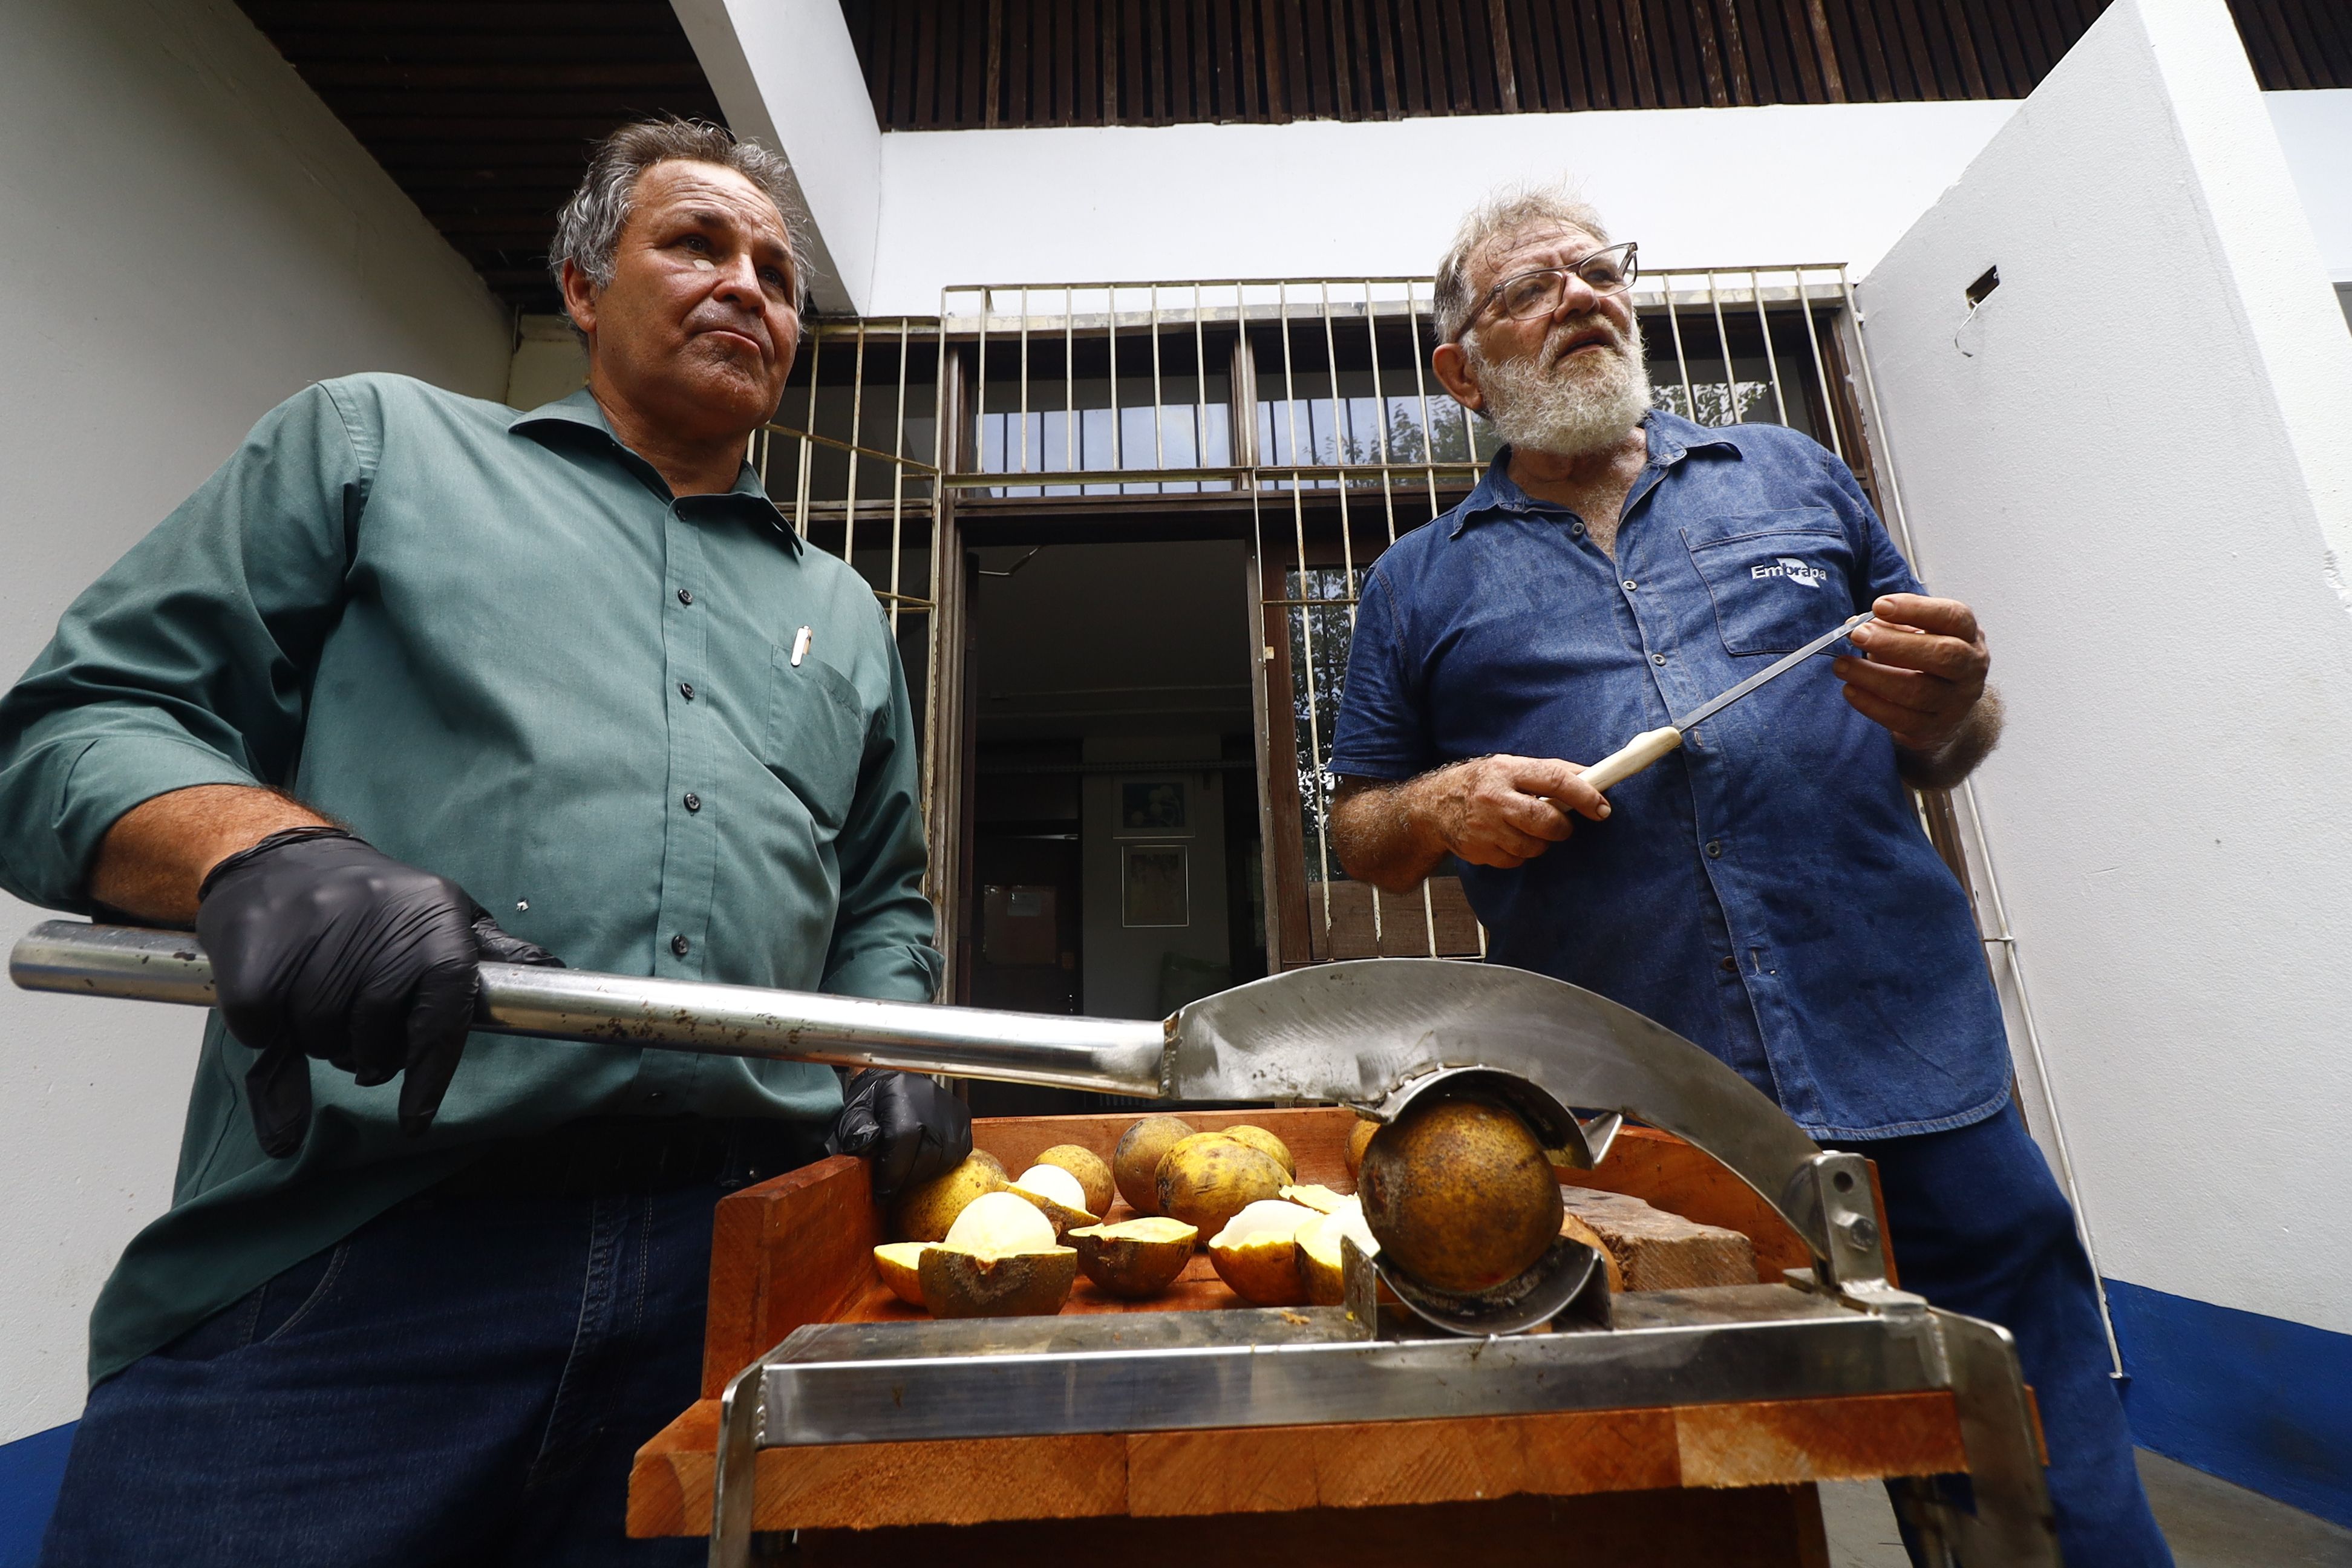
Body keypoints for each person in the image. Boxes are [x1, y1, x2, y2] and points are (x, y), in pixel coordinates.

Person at [1, 117, 967, 1566]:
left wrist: (897, 1049)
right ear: (582, 287)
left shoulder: (850, 620)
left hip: (741, 1287)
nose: (749, 286)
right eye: (696, 242)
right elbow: (74, 729)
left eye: (776, 270)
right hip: (360, 1262)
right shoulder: (373, 446)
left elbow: (882, 903)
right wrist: (265, 852)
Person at [1326, 186, 2172, 1565]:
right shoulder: (1418, 583)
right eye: (1530, 289)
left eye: (1598, 271)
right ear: (1461, 370)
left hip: (1913, 1071)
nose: (1581, 297)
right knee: (1684, 1502)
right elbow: (1359, 829)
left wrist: (1952, 703)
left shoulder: (1794, 476)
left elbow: (1954, 735)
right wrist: (1447, 801)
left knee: (2044, 1495)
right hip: (1641, 1130)